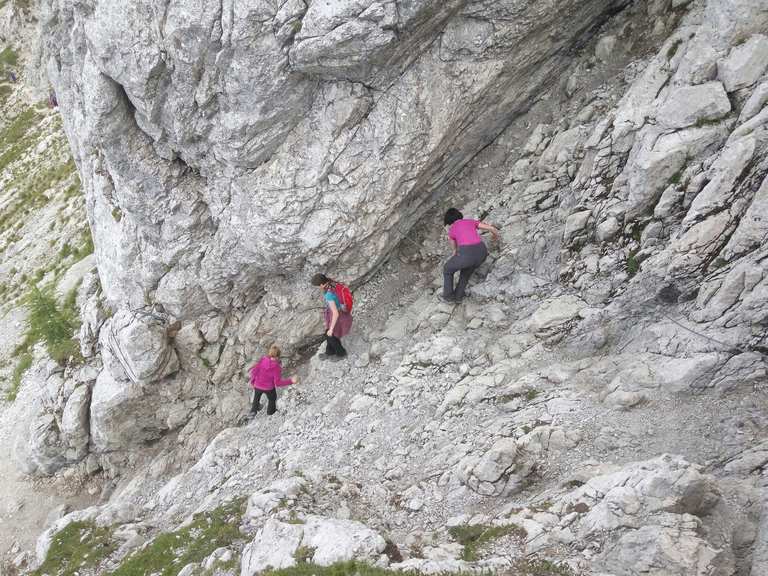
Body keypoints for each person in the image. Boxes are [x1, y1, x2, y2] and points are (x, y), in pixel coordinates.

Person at [442, 208, 500, 302]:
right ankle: (458, 297)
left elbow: (454, 250)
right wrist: (495, 237)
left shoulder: (452, 230)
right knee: (466, 272)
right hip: (482, 253)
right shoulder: (470, 221)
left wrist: (456, 255)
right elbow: (491, 228)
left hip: (467, 254)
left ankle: (448, 297)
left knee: (447, 269)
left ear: (449, 221)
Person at [247, 344, 297, 418]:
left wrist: (253, 382)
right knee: (272, 398)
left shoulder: (263, 359)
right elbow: (278, 383)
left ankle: (253, 411)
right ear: (278, 356)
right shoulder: (276, 367)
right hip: (268, 388)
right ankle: (271, 412)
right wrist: (291, 381)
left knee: (256, 397)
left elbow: (254, 371)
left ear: (270, 353)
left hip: (257, 385)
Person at [311, 273, 353, 360]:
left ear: (322, 284)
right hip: (340, 310)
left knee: (331, 334)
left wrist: (331, 328)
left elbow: (335, 313)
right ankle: (329, 352)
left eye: (318, 286)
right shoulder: (331, 282)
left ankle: (341, 353)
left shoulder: (329, 294)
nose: (319, 288)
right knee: (328, 334)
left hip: (339, 315)